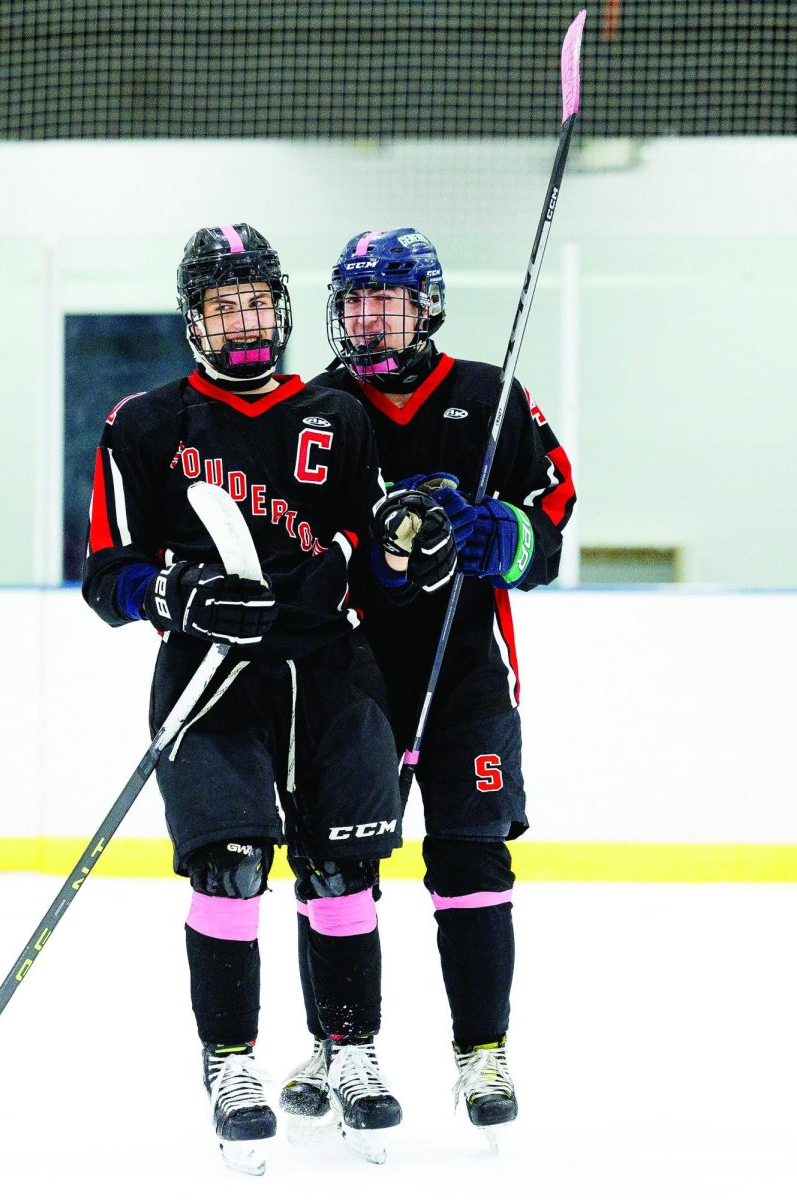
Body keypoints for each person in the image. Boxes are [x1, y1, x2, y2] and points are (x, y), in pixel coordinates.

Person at [81, 223, 453, 1171]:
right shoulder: (144, 425)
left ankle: (351, 1047)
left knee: (343, 876)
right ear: (195, 321)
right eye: (223, 306)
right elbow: (106, 573)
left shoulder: (337, 414)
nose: (244, 322)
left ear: (281, 308)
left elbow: (379, 556)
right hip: (213, 682)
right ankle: (231, 1063)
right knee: (231, 867)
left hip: (332, 678)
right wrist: (174, 594)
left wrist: (409, 550)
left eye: (255, 302)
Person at [280, 228, 576, 1146]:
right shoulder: (316, 406)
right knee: (335, 865)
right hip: (349, 678)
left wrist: (506, 536)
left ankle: (481, 1050)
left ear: (428, 305)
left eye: (391, 298)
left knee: (470, 860)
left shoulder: (492, 397)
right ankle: (341, 1045)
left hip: (465, 676)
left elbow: (553, 514)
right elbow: (294, 537)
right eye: (357, 300)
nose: (372, 317)